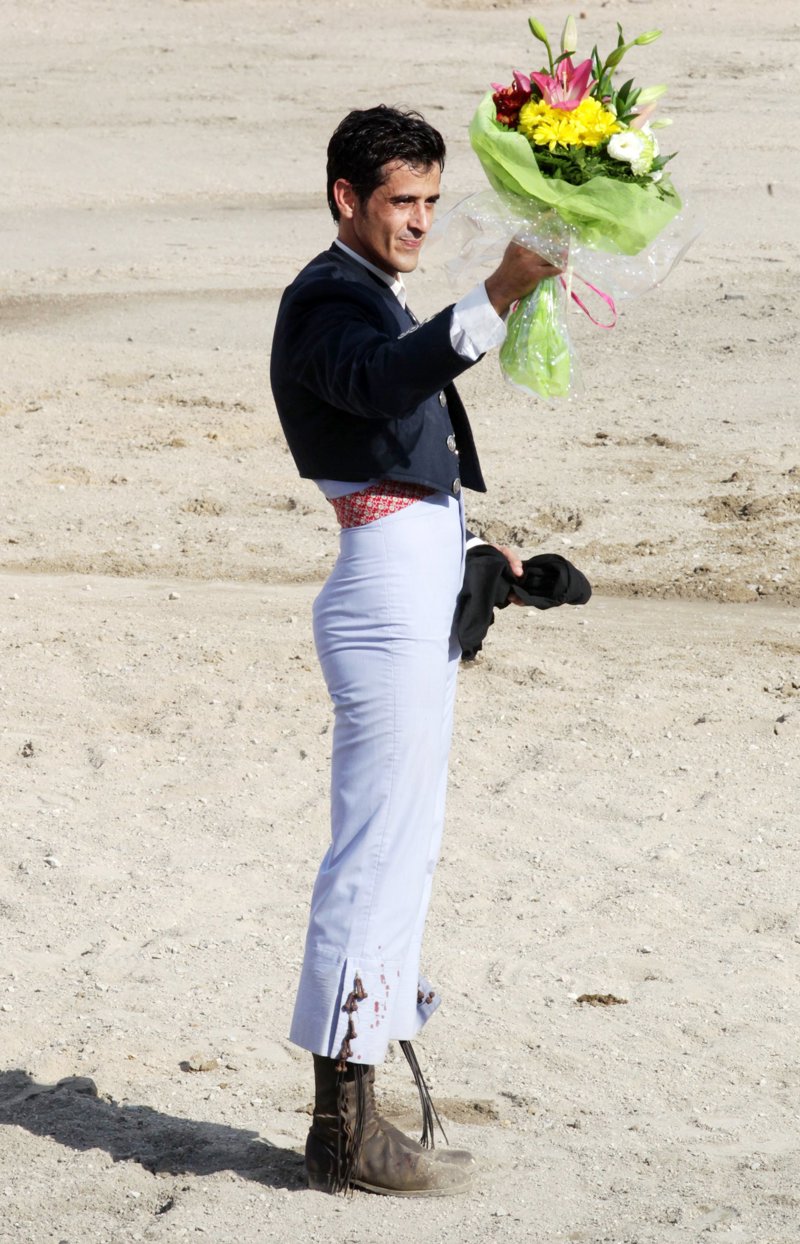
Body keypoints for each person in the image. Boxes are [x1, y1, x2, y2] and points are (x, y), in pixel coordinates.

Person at [270, 105, 562, 1196]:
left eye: (433, 201)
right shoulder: (325, 299)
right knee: (377, 849)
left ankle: (359, 1107)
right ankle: (340, 1127)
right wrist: (498, 292)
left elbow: (399, 456)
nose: (421, 221)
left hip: (409, 575)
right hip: (382, 596)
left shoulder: (366, 292)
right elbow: (381, 383)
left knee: (409, 845)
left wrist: (483, 554)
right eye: (403, 201)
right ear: (346, 198)